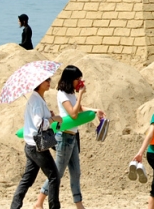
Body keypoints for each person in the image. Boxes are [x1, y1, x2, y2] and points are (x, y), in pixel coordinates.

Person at [34, 66, 105, 209]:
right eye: (77, 79)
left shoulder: (70, 93)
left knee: (76, 172)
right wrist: (80, 94)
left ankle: (79, 205)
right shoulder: (62, 94)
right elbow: (73, 114)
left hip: (73, 137)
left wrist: (95, 110)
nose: (80, 81)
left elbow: (79, 108)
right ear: (70, 79)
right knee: (58, 172)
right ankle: (39, 201)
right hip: (64, 137)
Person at [10, 76, 63, 209]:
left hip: (31, 145)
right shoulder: (36, 101)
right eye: (46, 80)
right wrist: (54, 118)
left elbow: (39, 120)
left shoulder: (37, 99)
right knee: (54, 176)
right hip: (37, 146)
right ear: (38, 83)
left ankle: (14, 206)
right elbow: (40, 124)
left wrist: (49, 116)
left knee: (27, 179)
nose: (49, 82)